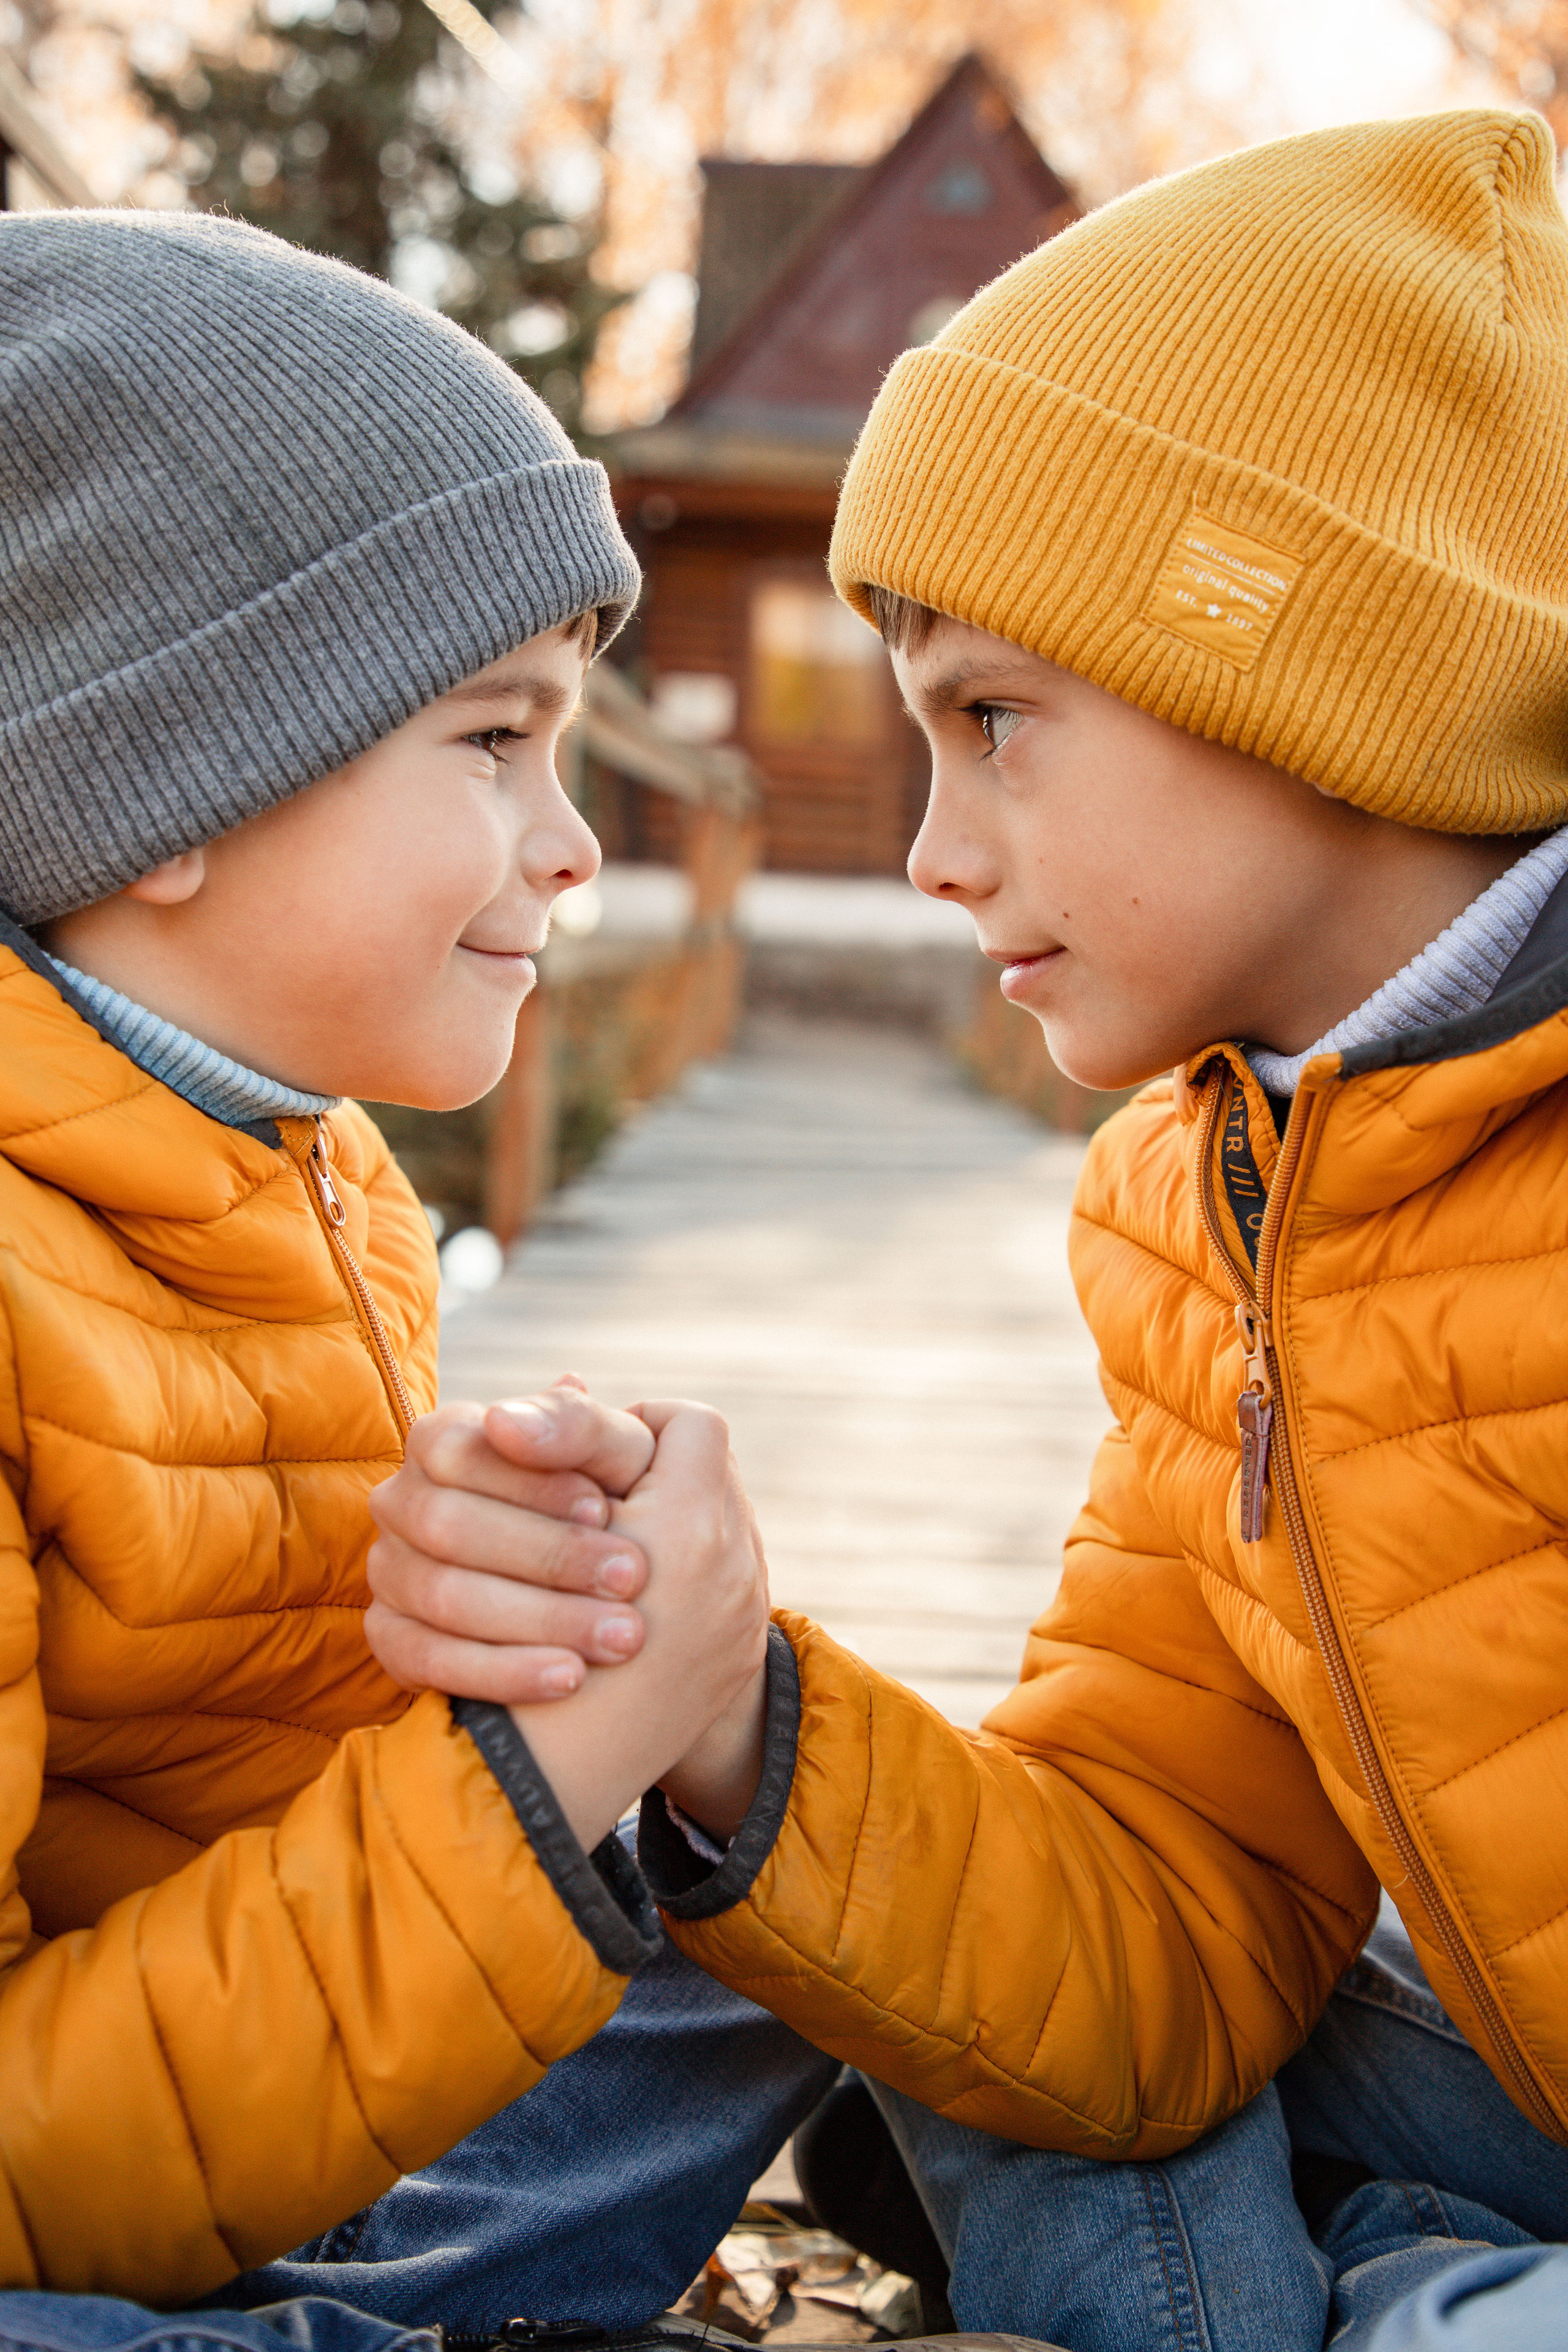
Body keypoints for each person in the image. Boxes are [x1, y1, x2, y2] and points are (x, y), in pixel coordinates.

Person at [361, 110, 1568, 2350]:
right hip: (1479, 2070)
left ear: (1299, 671)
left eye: (996, 722)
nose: (933, 849)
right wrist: (730, 1718)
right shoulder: (1215, 1209)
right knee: (879, 1960)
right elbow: (1162, 1936)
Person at [0, 208, 804, 2352]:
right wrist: (536, 1786)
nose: (578, 840)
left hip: (217, 2082)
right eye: (491, 737)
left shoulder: (305, 1162)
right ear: (169, 778)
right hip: (53, 2182)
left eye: (575, 744)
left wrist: (540, 1652)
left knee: (789, 1891)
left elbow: (235, 1799)